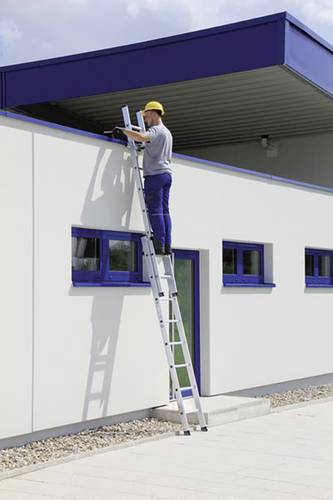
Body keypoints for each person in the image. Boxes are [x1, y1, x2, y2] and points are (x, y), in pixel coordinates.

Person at [115, 101, 173, 255]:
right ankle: (167, 245)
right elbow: (150, 144)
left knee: (155, 210)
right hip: (166, 175)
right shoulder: (167, 132)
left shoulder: (156, 130)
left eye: (146, 116)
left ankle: (159, 244)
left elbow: (141, 137)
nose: (145, 119)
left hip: (155, 175)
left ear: (153, 113)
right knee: (164, 211)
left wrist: (123, 131)